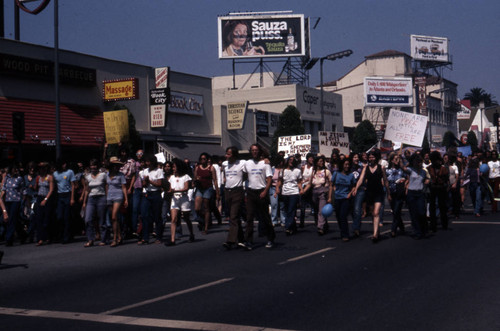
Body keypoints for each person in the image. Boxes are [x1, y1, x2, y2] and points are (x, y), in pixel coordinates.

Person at [243, 144, 275, 250]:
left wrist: (265, 191)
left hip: (262, 192)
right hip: (251, 192)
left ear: (259, 151)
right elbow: (242, 174)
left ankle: (270, 238)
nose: (254, 152)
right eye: (252, 150)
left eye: (256, 150)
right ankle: (248, 241)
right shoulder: (247, 163)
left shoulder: (265, 164)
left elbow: (269, 179)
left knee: (265, 217)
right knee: (249, 217)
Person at [354, 150, 390, 242]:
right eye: (370, 157)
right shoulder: (365, 168)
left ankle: (375, 235)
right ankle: (376, 231)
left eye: (373, 157)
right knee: (373, 214)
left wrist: (388, 193)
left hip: (379, 192)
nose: (371, 158)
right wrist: (356, 188)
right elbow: (361, 179)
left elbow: (385, 180)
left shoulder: (381, 167)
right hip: (369, 193)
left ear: (376, 158)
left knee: (377, 212)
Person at [221, 146, 246, 249]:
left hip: (237, 191)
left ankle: (230, 240)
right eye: (226, 153)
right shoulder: (224, 164)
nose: (226, 156)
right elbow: (224, 174)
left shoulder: (242, 163)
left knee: (233, 216)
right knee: (235, 217)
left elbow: (252, 166)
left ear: (234, 155)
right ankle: (241, 239)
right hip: (228, 191)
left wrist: (266, 160)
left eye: (229, 154)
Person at [166, 158, 195, 246]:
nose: (173, 168)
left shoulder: (185, 176)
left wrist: (175, 191)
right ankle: (172, 239)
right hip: (175, 199)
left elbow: (186, 188)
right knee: (174, 219)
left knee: (186, 218)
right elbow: (171, 188)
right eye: (172, 167)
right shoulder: (171, 177)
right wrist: (170, 191)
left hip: (184, 199)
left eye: (174, 167)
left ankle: (191, 234)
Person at [82, 159, 108, 247]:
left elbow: (106, 186)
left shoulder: (103, 175)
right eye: (91, 165)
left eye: (95, 165)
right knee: (88, 219)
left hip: (101, 197)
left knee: (102, 220)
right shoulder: (87, 176)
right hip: (91, 198)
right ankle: (90, 239)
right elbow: (86, 190)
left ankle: (104, 239)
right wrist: (84, 202)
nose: (93, 167)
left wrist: (107, 198)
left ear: (98, 166)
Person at [138, 155, 163, 245]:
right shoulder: (144, 171)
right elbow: (143, 185)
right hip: (147, 194)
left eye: (149, 162)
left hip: (156, 194)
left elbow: (159, 184)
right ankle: (145, 237)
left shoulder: (159, 171)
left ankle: (159, 236)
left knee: (157, 216)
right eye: (146, 162)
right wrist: (145, 182)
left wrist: (150, 181)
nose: (147, 163)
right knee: (144, 215)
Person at [404, 153, 430, 239]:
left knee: (422, 212)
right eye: (416, 161)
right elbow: (403, 168)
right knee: (414, 213)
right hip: (411, 193)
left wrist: (427, 180)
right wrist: (403, 161)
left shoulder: (423, 171)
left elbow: (428, 178)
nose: (418, 163)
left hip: (420, 193)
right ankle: (417, 232)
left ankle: (424, 229)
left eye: (419, 161)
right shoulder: (410, 170)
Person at [276, 155, 303, 235]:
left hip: (294, 192)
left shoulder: (297, 171)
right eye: (290, 160)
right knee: (288, 210)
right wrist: (277, 188)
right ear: (287, 161)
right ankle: (293, 227)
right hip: (285, 192)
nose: (291, 161)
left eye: (293, 160)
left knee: (291, 209)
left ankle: (287, 226)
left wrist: (301, 189)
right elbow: (280, 181)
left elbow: (299, 182)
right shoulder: (283, 171)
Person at [304, 155, 332, 235]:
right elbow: (309, 184)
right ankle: (324, 224)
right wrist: (303, 191)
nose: (321, 162)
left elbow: (330, 185)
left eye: (322, 161)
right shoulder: (313, 172)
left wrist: (330, 197)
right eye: (319, 161)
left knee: (321, 210)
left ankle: (320, 227)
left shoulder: (327, 172)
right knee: (317, 210)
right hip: (314, 192)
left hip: (323, 191)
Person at [193, 153, 220, 234]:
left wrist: (217, 193)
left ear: (208, 159)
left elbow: (215, 180)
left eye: (204, 159)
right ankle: (202, 220)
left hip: (208, 188)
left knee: (206, 207)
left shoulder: (211, 168)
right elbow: (194, 178)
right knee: (197, 208)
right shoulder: (197, 168)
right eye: (201, 159)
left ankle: (206, 227)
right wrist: (196, 179)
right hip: (199, 188)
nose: (202, 160)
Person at [331, 159, 356, 241]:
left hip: (346, 198)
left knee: (343, 216)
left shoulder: (351, 175)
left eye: (348, 164)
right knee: (338, 216)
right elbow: (332, 184)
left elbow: (354, 186)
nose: (347, 166)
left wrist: (350, 194)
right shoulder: (336, 174)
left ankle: (345, 235)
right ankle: (342, 232)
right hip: (337, 198)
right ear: (342, 165)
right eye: (345, 164)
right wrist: (332, 194)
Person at [53, 159, 77, 244]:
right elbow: (54, 185)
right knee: (59, 217)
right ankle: (61, 234)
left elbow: (73, 185)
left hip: (67, 195)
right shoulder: (55, 174)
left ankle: (66, 237)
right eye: (63, 164)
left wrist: (72, 198)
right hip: (60, 196)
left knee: (67, 217)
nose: (64, 166)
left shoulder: (70, 172)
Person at [1, 164, 25, 246]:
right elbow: (4, 189)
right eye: (14, 169)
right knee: (15, 219)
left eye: (16, 169)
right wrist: (1, 197)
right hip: (8, 201)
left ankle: (9, 238)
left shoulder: (19, 178)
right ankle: (23, 235)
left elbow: (23, 190)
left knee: (11, 219)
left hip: (16, 200)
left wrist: (24, 201)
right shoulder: (7, 178)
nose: (15, 170)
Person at [107, 157, 128, 247]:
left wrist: (126, 199)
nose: (116, 167)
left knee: (114, 216)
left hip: (118, 196)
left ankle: (114, 239)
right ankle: (120, 236)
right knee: (114, 219)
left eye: (117, 165)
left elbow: (124, 187)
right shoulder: (107, 174)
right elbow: (106, 186)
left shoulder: (121, 175)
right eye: (114, 165)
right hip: (109, 196)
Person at [385, 153, 406, 237]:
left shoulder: (402, 170)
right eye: (396, 159)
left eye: (399, 159)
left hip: (400, 192)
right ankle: (401, 227)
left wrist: (404, 183)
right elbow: (386, 182)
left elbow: (407, 178)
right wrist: (388, 194)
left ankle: (393, 230)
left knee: (397, 210)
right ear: (392, 160)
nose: (398, 160)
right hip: (391, 192)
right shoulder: (387, 170)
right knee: (395, 212)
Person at [34, 162, 55, 246]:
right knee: (39, 218)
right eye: (40, 168)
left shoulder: (49, 177)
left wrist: (46, 199)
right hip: (39, 197)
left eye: (43, 168)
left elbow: (51, 189)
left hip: (47, 198)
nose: (41, 169)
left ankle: (48, 236)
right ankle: (40, 238)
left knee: (47, 218)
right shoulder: (38, 177)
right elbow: (36, 188)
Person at [300, 153, 315, 227]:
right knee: (303, 206)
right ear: (307, 159)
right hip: (304, 186)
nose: (311, 159)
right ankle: (301, 222)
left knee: (314, 204)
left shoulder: (314, 168)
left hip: (311, 187)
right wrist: (302, 182)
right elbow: (301, 177)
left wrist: (308, 180)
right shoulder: (303, 167)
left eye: (312, 158)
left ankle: (317, 222)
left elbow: (312, 177)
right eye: (310, 158)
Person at [269, 156, 285, 227]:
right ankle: (274, 220)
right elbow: (269, 179)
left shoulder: (284, 170)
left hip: (282, 188)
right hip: (272, 188)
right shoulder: (272, 169)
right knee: (274, 204)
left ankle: (283, 220)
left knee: (282, 205)